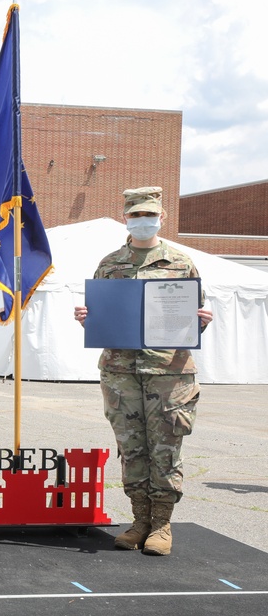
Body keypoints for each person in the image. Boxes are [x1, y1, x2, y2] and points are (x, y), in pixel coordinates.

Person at [73, 186, 212, 556]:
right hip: (121, 371)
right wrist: (87, 319)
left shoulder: (181, 263)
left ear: (161, 217)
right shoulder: (109, 264)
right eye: (135, 215)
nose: (143, 221)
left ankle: (162, 525)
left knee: (165, 448)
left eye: (149, 215)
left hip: (169, 372)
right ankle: (139, 521)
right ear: (125, 218)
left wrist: (202, 321)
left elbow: (192, 318)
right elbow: (100, 317)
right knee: (131, 449)